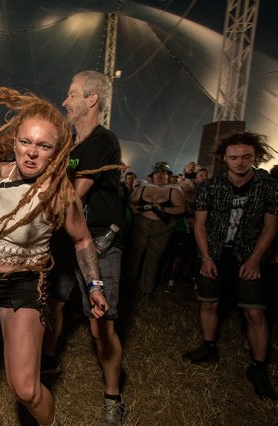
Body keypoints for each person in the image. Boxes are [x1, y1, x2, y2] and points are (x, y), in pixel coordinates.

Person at [0, 88, 108, 426]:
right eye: (26, 142)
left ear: (57, 152)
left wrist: (95, 285)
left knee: (25, 388)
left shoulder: (59, 193)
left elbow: (82, 239)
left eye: (44, 146)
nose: (31, 154)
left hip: (24, 286)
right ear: (15, 139)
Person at [43, 70, 126, 425]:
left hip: (99, 243)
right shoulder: (70, 145)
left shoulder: (102, 140)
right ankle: (48, 364)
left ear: (92, 99)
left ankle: (112, 396)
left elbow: (74, 196)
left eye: (71, 94)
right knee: (54, 305)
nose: (65, 101)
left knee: (100, 324)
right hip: (64, 240)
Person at [183, 132, 278, 401]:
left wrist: (255, 259)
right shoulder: (210, 187)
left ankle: (258, 368)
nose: (240, 162)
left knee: (255, 313)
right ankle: (208, 346)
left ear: (255, 157)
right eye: (234, 157)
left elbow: (271, 226)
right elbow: (200, 225)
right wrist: (206, 258)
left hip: (249, 255)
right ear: (224, 158)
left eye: (246, 157)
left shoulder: (268, 186)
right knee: (208, 303)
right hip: (214, 254)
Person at [127, 161, 185, 294]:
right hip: (141, 226)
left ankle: (146, 289)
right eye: (156, 172)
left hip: (162, 229)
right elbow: (131, 201)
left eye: (163, 173)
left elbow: (181, 209)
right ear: (151, 175)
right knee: (134, 256)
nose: (159, 175)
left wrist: (164, 209)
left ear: (168, 175)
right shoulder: (142, 187)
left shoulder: (173, 189)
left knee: (153, 259)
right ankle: (128, 286)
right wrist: (133, 208)